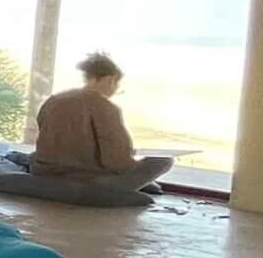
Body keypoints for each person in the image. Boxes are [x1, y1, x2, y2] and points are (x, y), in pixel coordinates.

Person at [31, 52, 175, 194]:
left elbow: (43, 132)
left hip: (45, 171)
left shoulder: (54, 99)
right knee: (164, 161)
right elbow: (116, 160)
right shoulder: (106, 107)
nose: (116, 89)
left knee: (33, 155)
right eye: (117, 84)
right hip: (87, 179)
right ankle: (133, 186)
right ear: (110, 79)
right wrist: (134, 165)